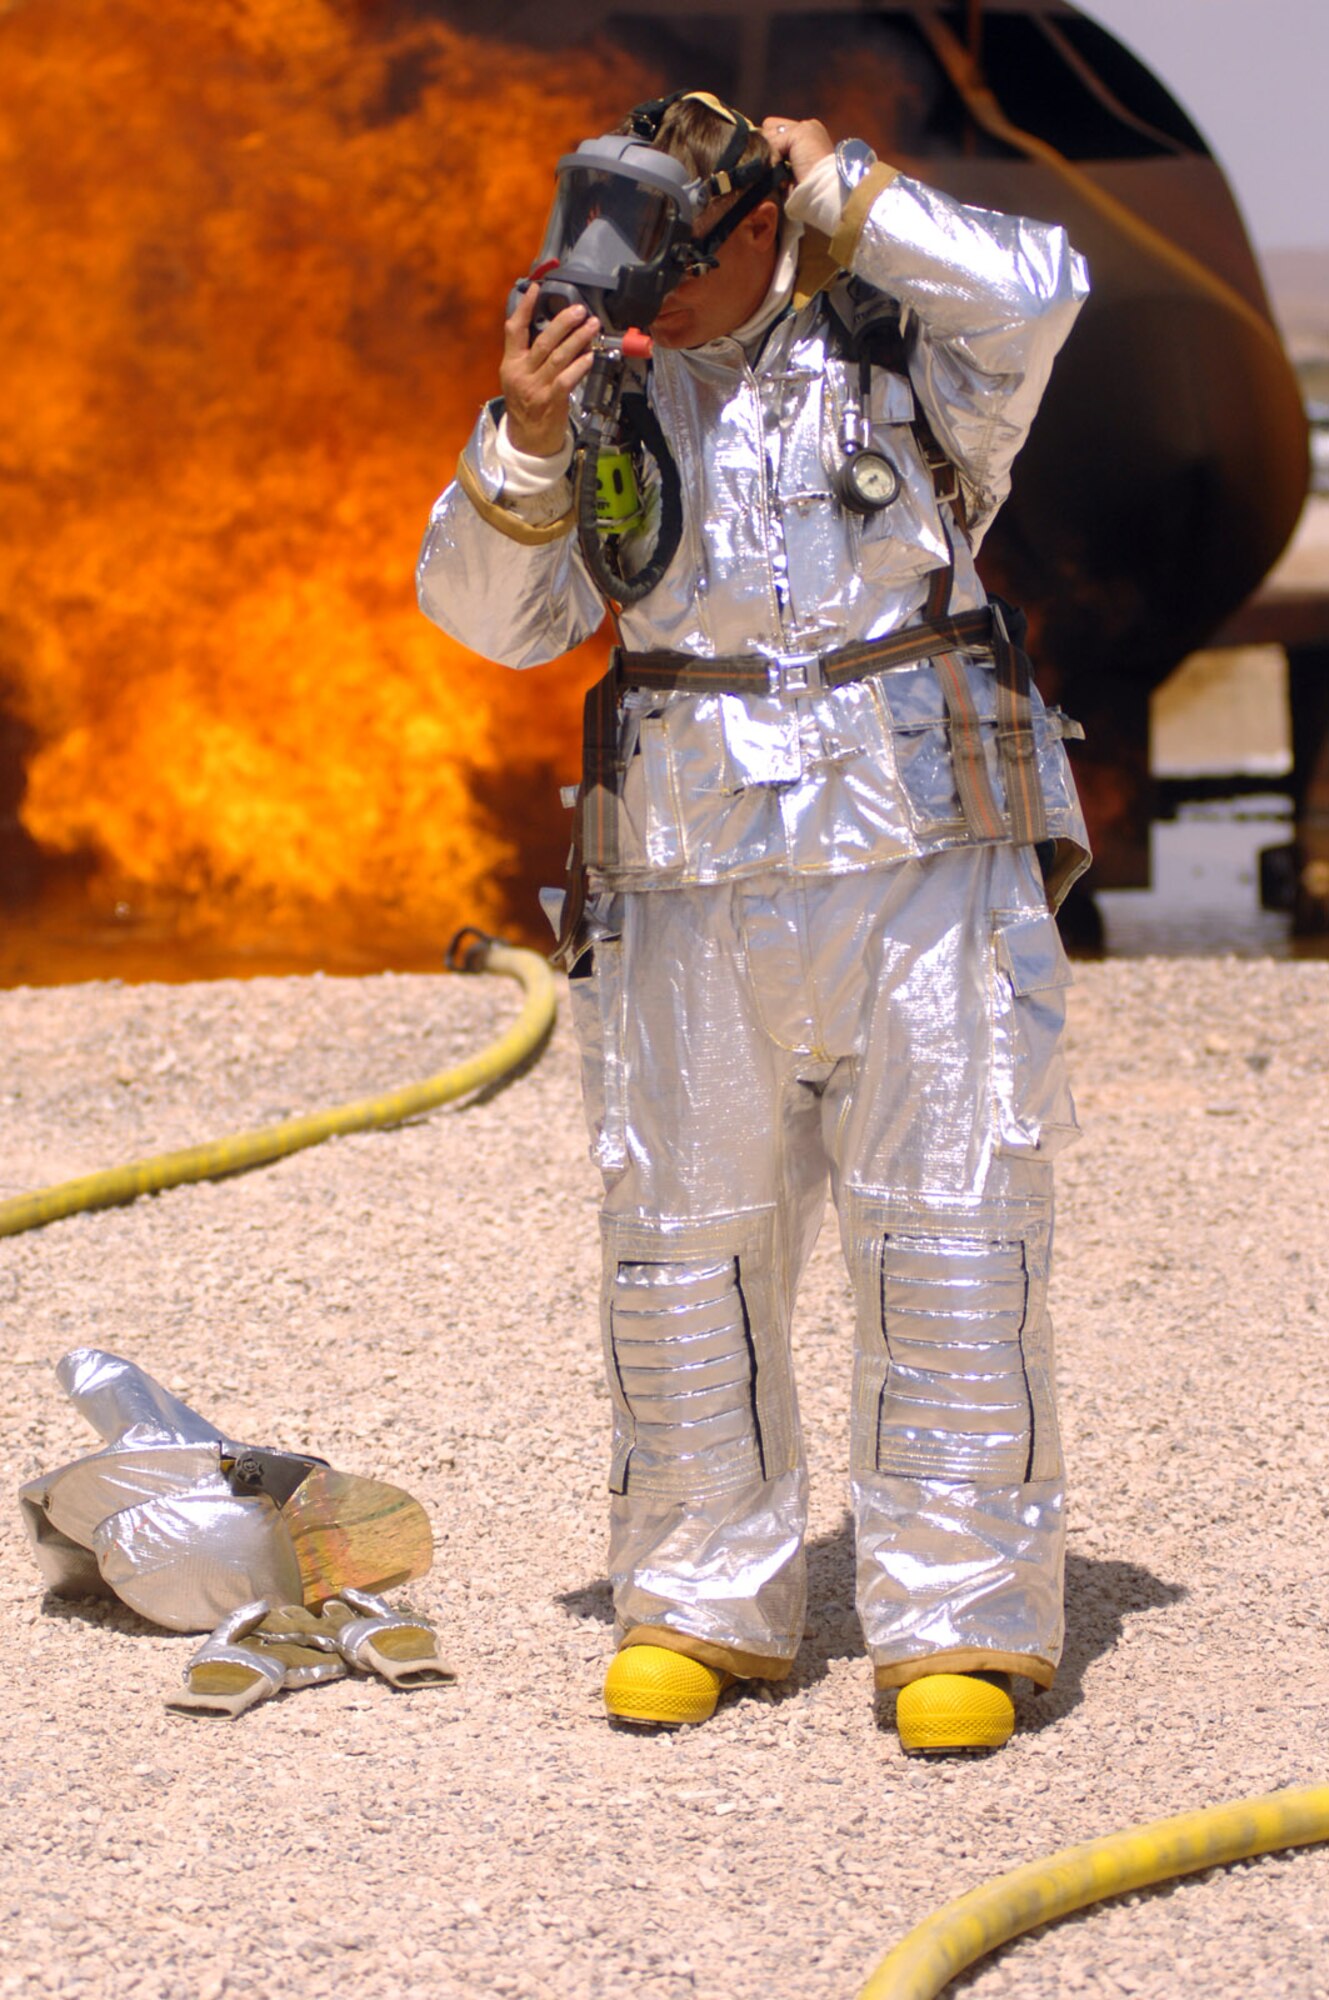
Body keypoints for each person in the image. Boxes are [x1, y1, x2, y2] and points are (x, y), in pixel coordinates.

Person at [418, 91, 1090, 1753]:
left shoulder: (908, 348)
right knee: (679, 1246)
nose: (633, 287)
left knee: (944, 1232)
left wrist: (838, 180)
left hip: (919, 852)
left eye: (666, 253)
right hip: (684, 867)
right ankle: (705, 1600)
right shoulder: (605, 397)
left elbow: (1041, 283)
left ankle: (955, 1615)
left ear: (753, 231)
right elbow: (496, 624)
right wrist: (518, 442)